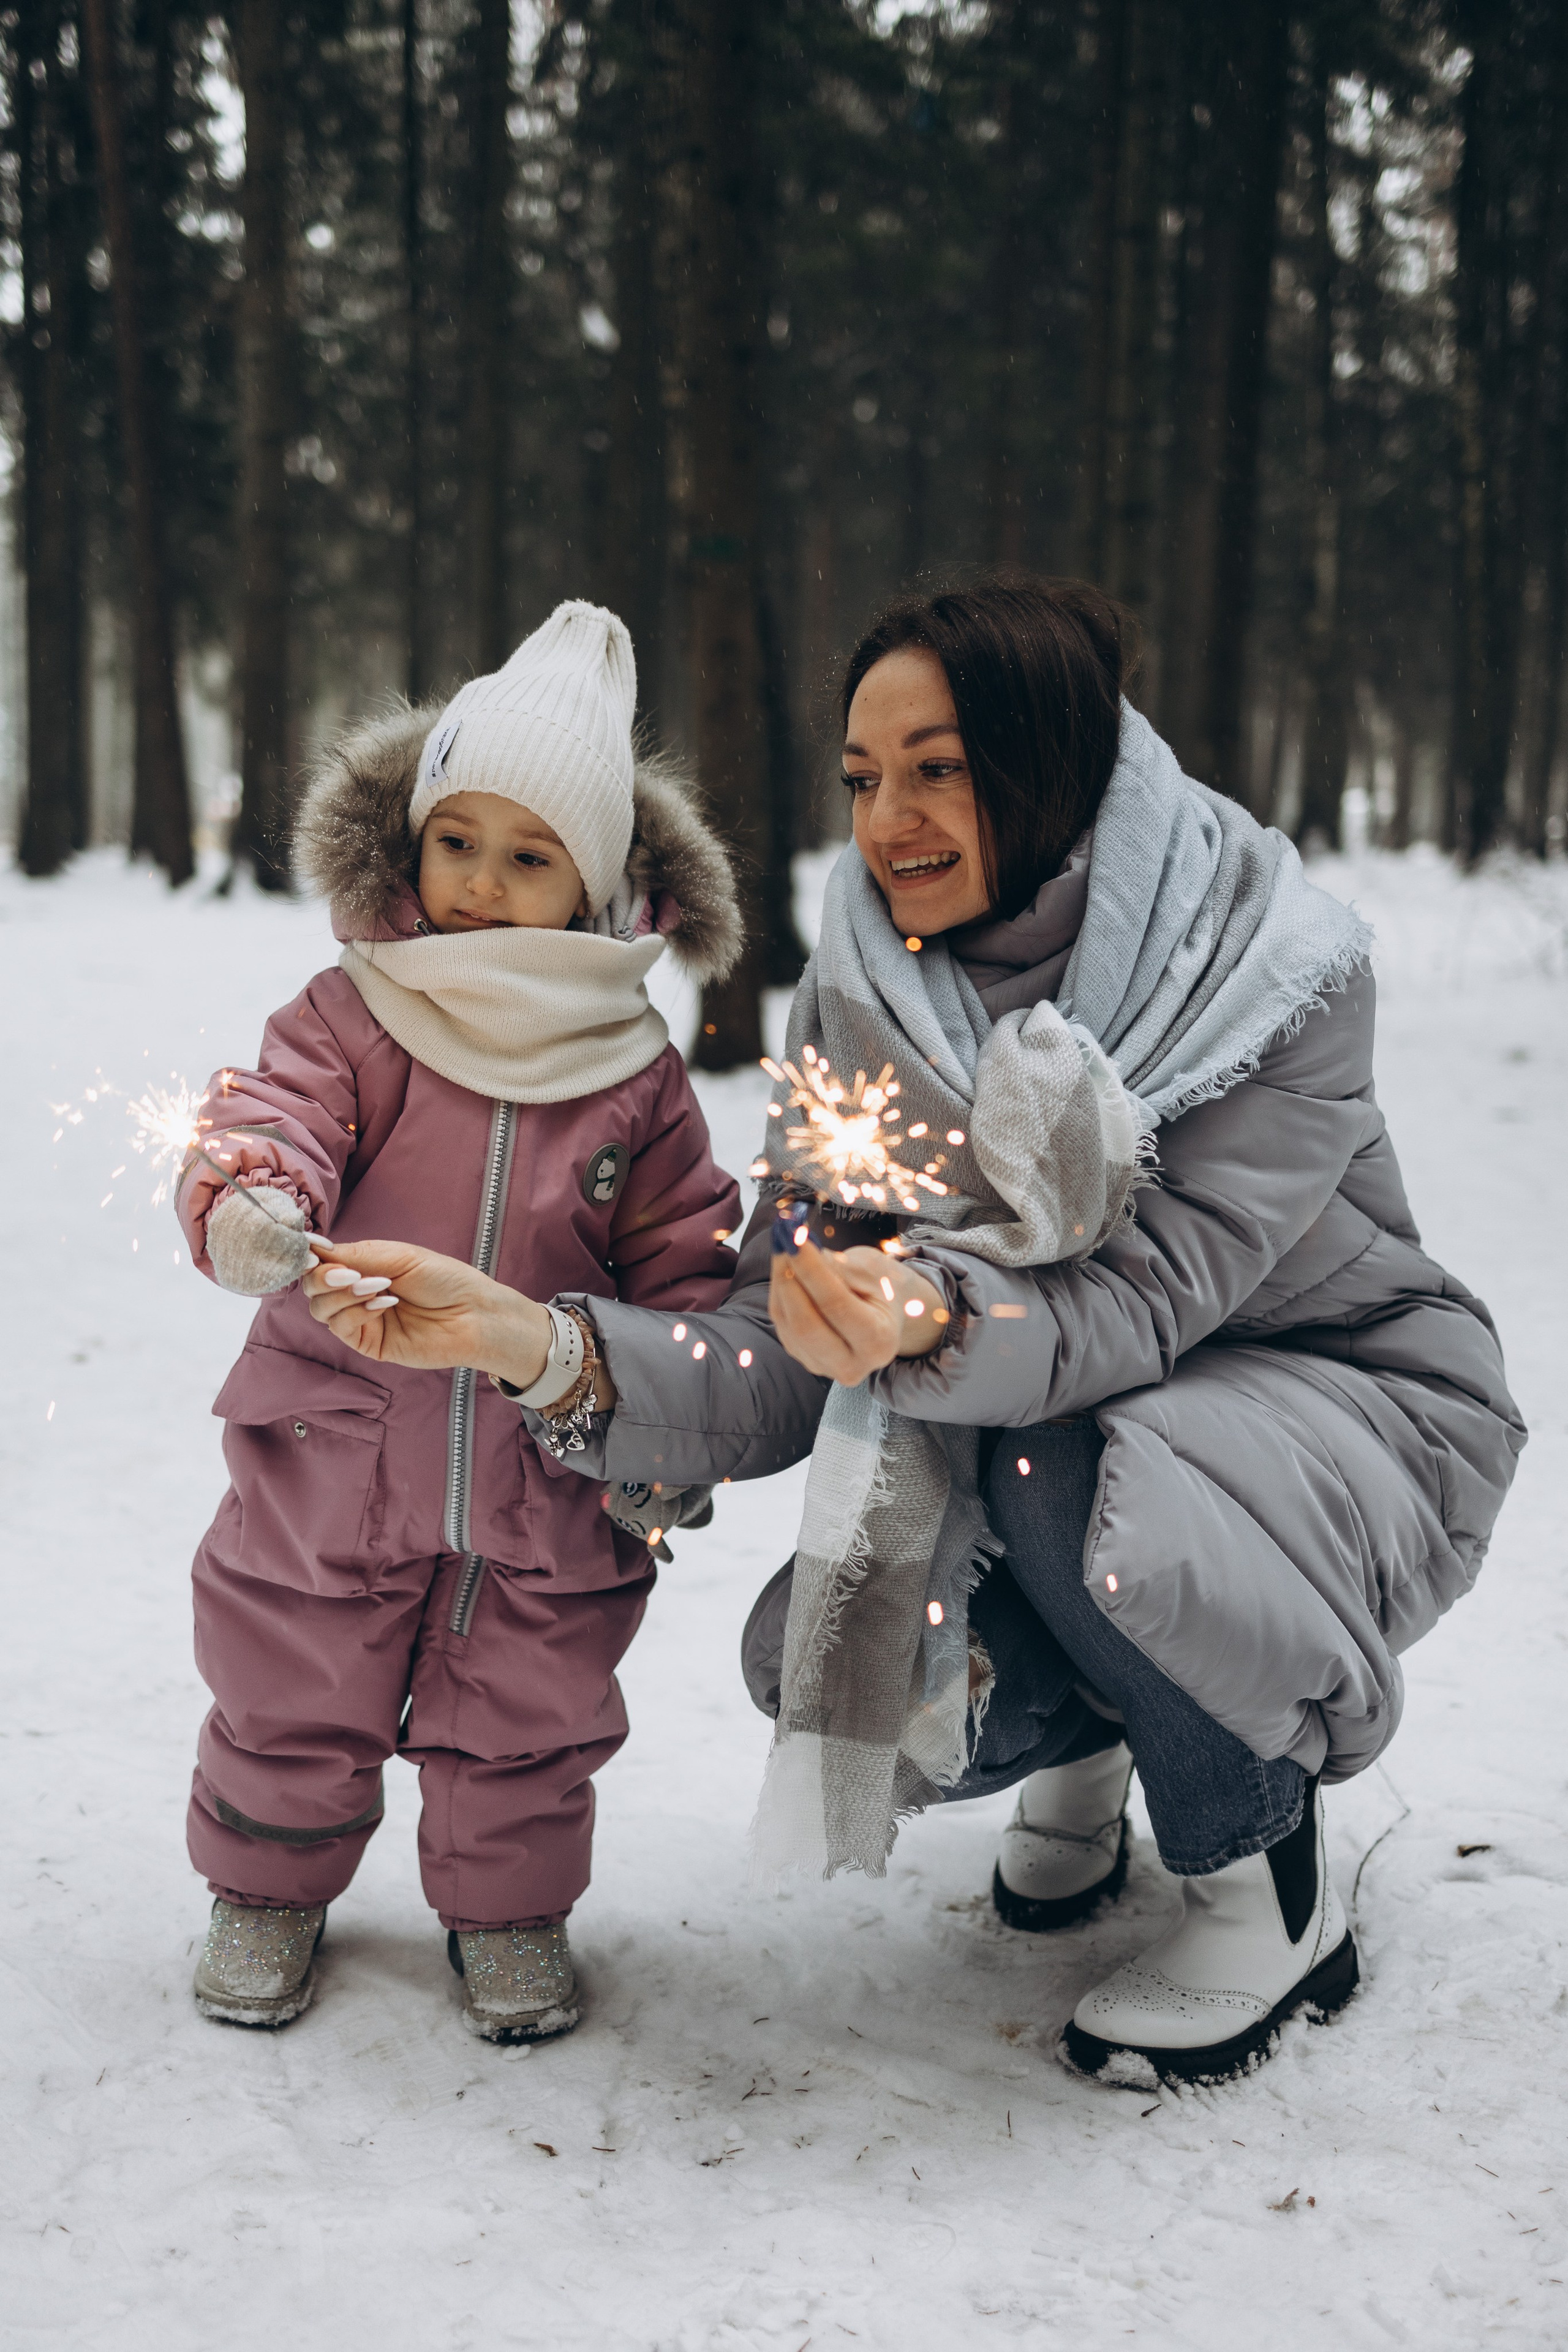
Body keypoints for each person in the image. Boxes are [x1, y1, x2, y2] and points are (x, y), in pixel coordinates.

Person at [308, 577, 1524, 2090]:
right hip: (1067, 1436)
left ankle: (1254, 1872)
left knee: (1060, 1468)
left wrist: (930, 1310)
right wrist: (544, 1346)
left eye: (937, 768)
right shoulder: (859, 1001)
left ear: (1049, 763)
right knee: (875, 1643)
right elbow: (770, 1349)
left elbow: (1148, 1298)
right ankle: (1101, 1735)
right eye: (862, 778)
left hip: (1340, 1406)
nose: (889, 821)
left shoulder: (1264, 972)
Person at [176, 600, 743, 2043]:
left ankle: (507, 1909)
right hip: (334, 1442)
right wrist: (253, 1198)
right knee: (291, 1671)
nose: (482, 881)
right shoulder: (354, 1012)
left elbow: (681, 1251)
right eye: (457, 839)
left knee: (530, 1700)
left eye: (530, 856)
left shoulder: (631, 1070)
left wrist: (667, 1418)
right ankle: (267, 1883)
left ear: (594, 885)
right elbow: (274, 1117)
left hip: (545, 1470)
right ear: (411, 841)